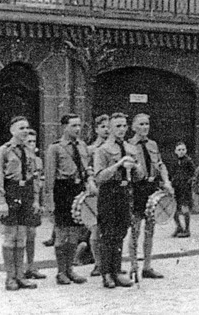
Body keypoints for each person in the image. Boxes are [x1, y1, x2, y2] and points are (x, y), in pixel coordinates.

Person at [0, 116, 41, 290]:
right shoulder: (4, 151)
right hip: (11, 193)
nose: (25, 131)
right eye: (21, 128)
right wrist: (1, 201)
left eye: (27, 128)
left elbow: (34, 177)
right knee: (10, 237)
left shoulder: (29, 151)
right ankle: (10, 277)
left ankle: (21, 276)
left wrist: (35, 199)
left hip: (25, 193)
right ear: (12, 130)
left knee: (22, 237)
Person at [46, 114, 94, 285]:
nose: (77, 129)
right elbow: (50, 175)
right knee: (61, 232)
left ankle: (70, 269)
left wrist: (90, 183)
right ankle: (61, 272)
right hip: (62, 190)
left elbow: (87, 167)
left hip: (78, 190)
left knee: (74, 232)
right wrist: (50, 200)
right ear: (64, 127)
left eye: (79, 125)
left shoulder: (82, 146)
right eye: (73, 125)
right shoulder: (55, 148)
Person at [93, 113, 137, 289]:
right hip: (108, 193)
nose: (121, 129)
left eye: (124, 126)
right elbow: (99, 176)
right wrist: (118, 165)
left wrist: (134, 166)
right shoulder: (102, 150)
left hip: (124, 192)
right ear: (109, 128)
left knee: (121, 232)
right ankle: (106, 273)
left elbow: (140, 174)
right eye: (117, 126)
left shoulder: (130, 148)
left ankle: (117, 271)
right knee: (108, 234)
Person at [127, 114, 173, 279]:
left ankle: (147, 266)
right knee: (135, 229)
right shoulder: (128, 146)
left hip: (151, 188)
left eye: (147, 124)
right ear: (133, 127)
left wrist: (166, 181)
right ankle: (133, 265)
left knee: (150, 230)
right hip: (136, 189)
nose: (145, 127)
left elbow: (160, 165)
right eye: (141, 124)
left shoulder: (152, 144)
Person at [87, 114, 109, 277]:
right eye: (103, 127)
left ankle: (111, 263)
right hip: (96, 190)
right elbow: (87, 169)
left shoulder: (115, 147)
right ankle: (98, 263)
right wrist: (91, 184)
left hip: (111, 190)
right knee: (95, 229)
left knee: (111, 230)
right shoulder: (91, 149)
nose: (106, 130)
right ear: (96, 129)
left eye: (109, 127)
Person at [24, 130, 46, 280]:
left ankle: (30, 266)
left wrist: (39, 201)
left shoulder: (38, 161)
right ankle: (18, 269)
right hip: (20, 199)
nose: (32, 145)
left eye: (34, 142)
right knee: (18, 236)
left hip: (34, 199)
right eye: (28, 142)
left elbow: (39, 182)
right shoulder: (18, 158)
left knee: (32, 234)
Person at [169, 142, 195, 238]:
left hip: (185, 189)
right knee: (174, 209)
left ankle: (187, 229)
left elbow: (194, 174)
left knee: (185, 209)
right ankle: (179, 227)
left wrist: (188, 181)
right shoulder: (174, 161)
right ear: (175, 151)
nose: (181, 152)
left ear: (186, 150)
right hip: (176, 188)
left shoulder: (188, 161)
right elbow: (171, 173)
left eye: (183, 149)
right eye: (179, 150)